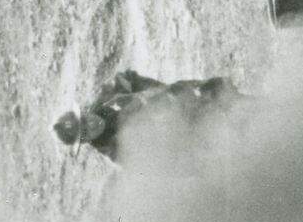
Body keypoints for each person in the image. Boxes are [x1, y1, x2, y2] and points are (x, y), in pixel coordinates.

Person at [54, 68, 236, 159]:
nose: (92, 124)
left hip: (177, 98)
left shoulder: (105, 99)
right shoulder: (115, 152)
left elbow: (127, 77)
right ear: (86, 140)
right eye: (86, 132)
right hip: (184, 134)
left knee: (221, 94)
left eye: (85, 120)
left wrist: (154, 91)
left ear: (85, 113)